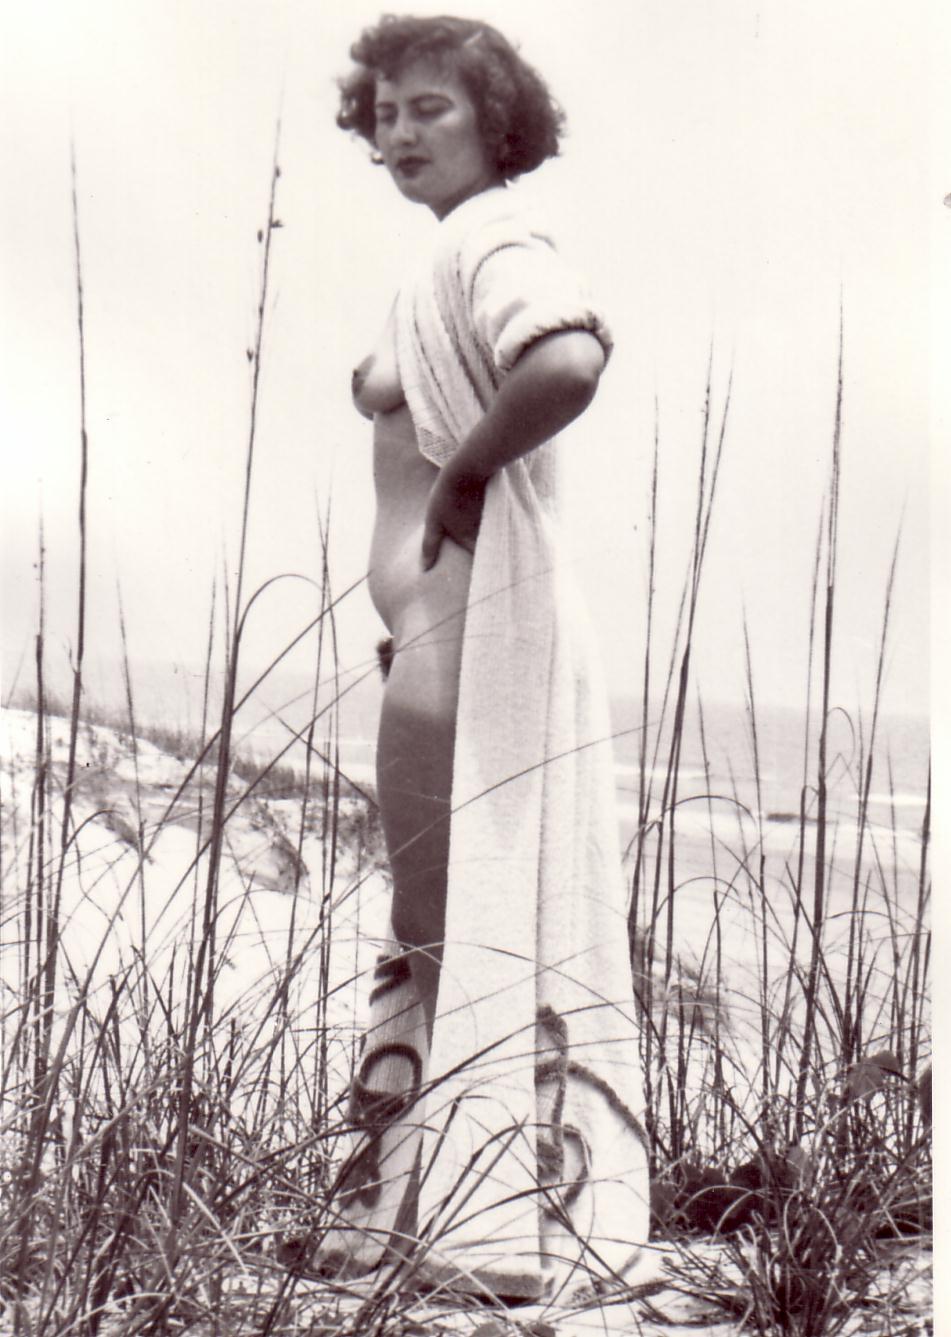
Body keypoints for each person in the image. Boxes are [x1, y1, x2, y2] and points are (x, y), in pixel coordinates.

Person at [322, 15, 651, 1302]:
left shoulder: (494, 237)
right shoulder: (452, 248)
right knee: (449, 921)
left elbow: (567, 355)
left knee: (448, 926)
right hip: (444, 629)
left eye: (433, 110)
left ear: (497, 122)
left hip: (472, 626)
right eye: (385, 114)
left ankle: (479, 1223)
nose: (400, 133)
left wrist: (463, 472)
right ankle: (458, 1209)